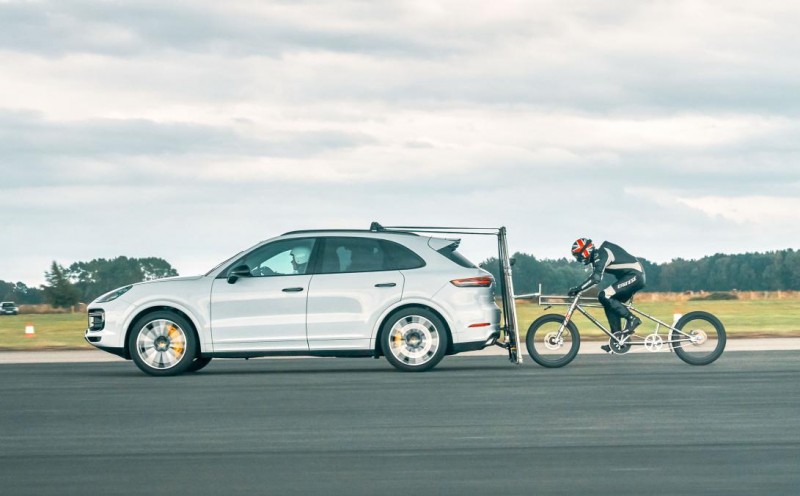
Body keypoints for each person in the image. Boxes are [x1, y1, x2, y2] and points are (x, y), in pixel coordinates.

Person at [567, 238, 646, 353]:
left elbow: (596, 278)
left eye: (578, 256)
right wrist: (580, 288)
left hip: (635, 275)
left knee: (603, 295)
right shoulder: (598, 257)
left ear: (585, 251)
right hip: (631, 276)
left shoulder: (602, 253)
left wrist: (578, 289)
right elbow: (595, 276)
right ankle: (617, 340)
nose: (579, 259)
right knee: (608, 303)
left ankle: (632, 319)